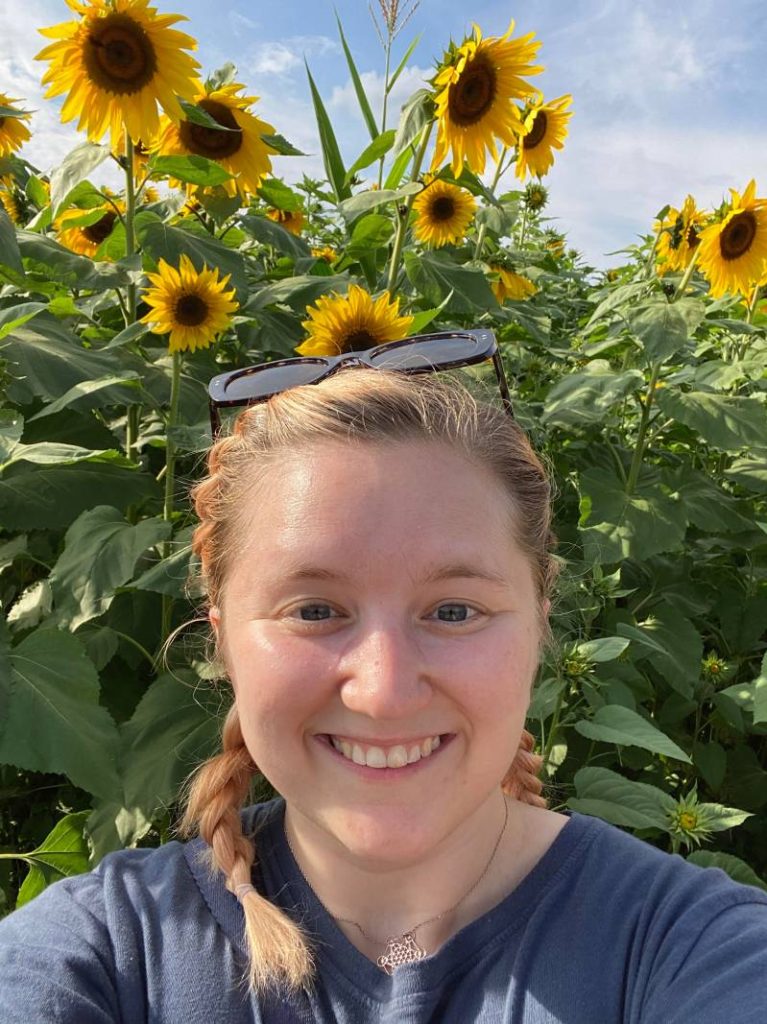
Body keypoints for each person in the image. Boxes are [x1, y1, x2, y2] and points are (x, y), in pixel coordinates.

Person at [0, 339, 766, 1023]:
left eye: (455, 610)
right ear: (223, 636)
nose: (384, 691)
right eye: (315, 609)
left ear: (540, 622)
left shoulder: (689, 951)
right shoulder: (105, 952)